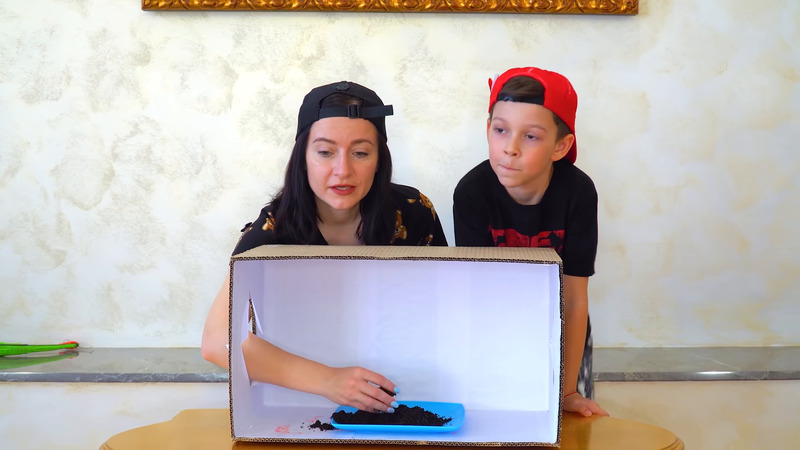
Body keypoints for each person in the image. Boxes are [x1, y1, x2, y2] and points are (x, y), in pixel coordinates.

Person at [202, 81, 448, 414]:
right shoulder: (272, 232)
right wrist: (329, 381)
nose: (343, 170)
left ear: (379, 160)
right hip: (298, 405)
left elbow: (443, 310)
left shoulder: (414, 213)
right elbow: (217, 342)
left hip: (408, 392)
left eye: (360, 153)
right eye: (325, 152)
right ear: (303, 157)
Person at [452, 67, 608, 417]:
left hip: (562, 325)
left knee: (567, 419)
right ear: (487, 130)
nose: (510, 149)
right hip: (493, 323)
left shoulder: (579, 193)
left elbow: (574, 298)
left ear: (561, 146)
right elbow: (477, 294)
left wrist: (568, 390)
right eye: (500, 130)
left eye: (531, 136)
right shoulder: (471, 193)